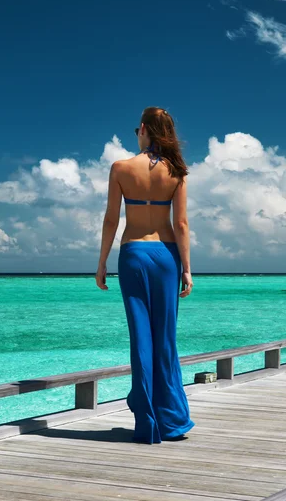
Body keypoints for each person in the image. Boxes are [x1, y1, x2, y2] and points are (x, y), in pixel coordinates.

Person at [95, 107, 195, 444]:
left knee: (141, 338)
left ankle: (147, 422)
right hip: (166, 256)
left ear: (143, 130)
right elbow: (181, 224)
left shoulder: (121, 168)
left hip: (134, 254)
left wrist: (101, 262)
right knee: (165, 339)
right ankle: (172, 421)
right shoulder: (177, 172)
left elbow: (111, 219)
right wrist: (186, 267)